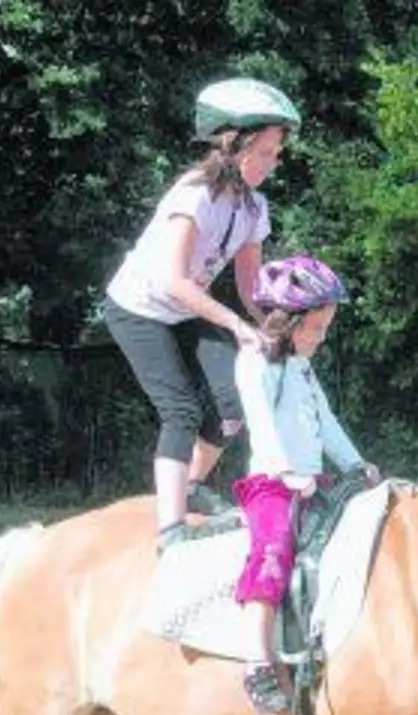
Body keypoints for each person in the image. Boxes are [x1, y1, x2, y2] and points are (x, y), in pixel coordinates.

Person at [102, 77, 302, 552]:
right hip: (140, 310)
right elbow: (174, 281)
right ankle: (170, 529)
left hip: (187, 309)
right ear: (235, 146)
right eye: (267, 152)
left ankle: (189, 485)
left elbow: (250, 286)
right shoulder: (194, 194)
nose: (274, 165)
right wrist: (235, 324)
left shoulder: (255, 208)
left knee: (232, 407)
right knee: (182, 410)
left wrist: (274, 325)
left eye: (277, 154)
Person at [231, 254, 381, 714]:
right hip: (271, 485)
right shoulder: (255, 361)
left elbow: (326, 423)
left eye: (325, 327)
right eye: (315, 327)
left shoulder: (302, 367)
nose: (321, 336)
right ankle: (256, 660)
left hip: (313, 480)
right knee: (273, 549)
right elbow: (260, 422)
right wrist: (284, 472)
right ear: (284, 321)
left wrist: (357, 464)